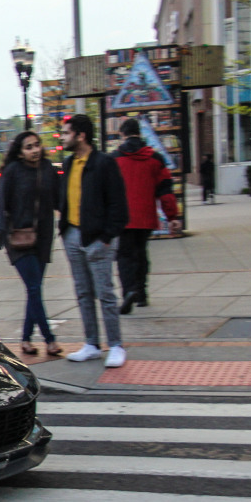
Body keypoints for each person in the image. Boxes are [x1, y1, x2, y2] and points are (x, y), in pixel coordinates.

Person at [59, 114, 130, 367]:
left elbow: (118, 205)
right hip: (73, 235)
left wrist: (107, 237)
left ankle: (116, 345)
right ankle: (91, 343)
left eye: (66, 133)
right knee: (83, 292)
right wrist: (65, 228)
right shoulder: (69, 164)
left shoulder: (104, 163)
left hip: (98, 238)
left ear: (81, 135)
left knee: (105, 292)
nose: (62, 137)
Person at [0, 131, 63, 357]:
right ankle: (50, 340)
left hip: (43, 237)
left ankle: (25, 338)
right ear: (20, 152)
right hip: (18, 238)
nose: (35, 150)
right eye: (29, 147)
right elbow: (1, 202)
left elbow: (59, 198)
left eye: (37, 145)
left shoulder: (47, 169)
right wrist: (0, 233)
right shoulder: (13, 171)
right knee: (34, 288)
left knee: (34, 290)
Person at [114, 117, 181, 315]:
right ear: (140, 133)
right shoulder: (156, 159)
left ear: (122, 134)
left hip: (123, 218)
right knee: (141, 252)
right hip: (146, 217)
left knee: (124, 255)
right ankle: (142, 293)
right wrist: (172, 217)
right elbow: (165, 190)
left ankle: (129, 290)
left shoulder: (114, 159)